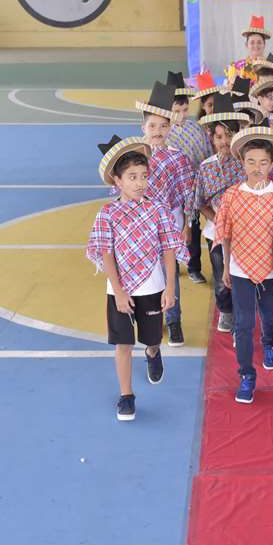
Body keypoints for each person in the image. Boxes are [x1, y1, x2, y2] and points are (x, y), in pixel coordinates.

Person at [87, 137, 186, 422]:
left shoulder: (157, 210)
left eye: (144, 176)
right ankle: (127, 395)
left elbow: (169, 249)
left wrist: (170, 286)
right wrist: (118, 291)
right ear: (117, 181)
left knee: (152, 338)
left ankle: (153, 353)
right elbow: (105, 252)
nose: (140, 183)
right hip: (119, 289)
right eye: (132, 177)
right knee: (123, 344)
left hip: (152, 287)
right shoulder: (108, 213)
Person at [216, 126, 273, 404]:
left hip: (271, 268)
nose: (257, 168)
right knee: (244, 323)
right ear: (242, 163)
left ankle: (269, 344)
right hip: (240, 267)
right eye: (251, 162)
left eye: (263, 162)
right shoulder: (232, 195)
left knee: (270, 316)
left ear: (272, 164)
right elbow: (226, 233)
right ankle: (246, 374)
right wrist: (226, 266)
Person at [134, 81, 197, 346]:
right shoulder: (134, 156)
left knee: (169, 270)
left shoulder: (177, 157)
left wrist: (187, 225)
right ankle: (150, 317)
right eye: (152, 126)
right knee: (144, 270)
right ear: (143, 128)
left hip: (170, 221)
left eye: (163, 126)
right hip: (139, 223)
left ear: (170, 128)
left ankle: (173, 320)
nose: (157, 131)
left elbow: (187, 193)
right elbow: (120, 191)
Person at [196, 93, 252, 333]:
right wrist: (217, 219)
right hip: (216, 233)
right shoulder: (206, 167)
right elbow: (200, 202)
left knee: (244, 275)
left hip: (246, 230)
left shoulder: (246, 164)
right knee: (221, 277)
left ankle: (243, 312)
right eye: (219, 137)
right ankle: (226, 310)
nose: (224, 141)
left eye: (229, 135)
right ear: (212, 138)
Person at [166, 72, 212, 285]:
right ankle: (173, 264)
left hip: (194, 187)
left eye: (185, 110)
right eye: (176, 111)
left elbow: (205, 154)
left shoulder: (195, 128)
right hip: (173, 191)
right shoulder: (165, 133)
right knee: (173, 227)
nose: (181, 115)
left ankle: (194, 267)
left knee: (193, 227)